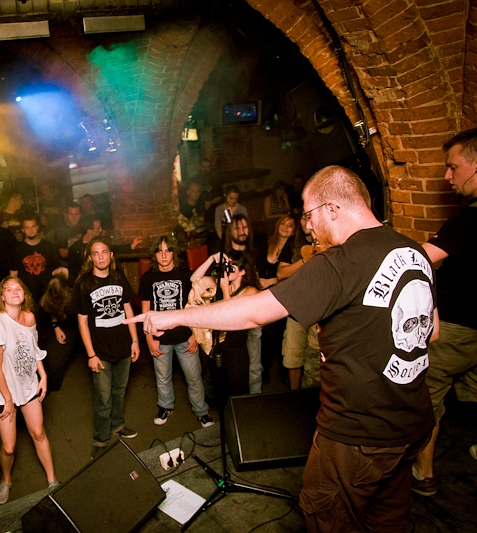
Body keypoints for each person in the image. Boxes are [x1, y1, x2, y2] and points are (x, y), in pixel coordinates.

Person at [129, 165, 437, 532]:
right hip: (411, 422)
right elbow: (430, 332)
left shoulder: (340, 262)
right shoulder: (412, 249)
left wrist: (177, 316)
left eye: (308, 215)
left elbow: (256, 312)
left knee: (330, 515)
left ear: (332, 208)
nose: (307, 226)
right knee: (389, 518)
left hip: (359, 433)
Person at [411, 128, 477, 497]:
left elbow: (419, 257)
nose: (447, 176)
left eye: (453, 166)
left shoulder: (468, 219)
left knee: (428, 397)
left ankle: (424, 474)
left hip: (456, 330)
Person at [0, 277, 57, 505]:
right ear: (2, 297)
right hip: (3, 390)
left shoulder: (29, 318)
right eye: (9, 289)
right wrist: (8, 399)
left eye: (19, 288)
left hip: (27, 384)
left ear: (24, 295)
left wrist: (43, 374)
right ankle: (6, 479)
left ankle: (52, 480)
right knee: (8, 447)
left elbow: (33, 348)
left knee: (38, 432)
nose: (14, 292)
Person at [75, 237, 139, 458]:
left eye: (104, 252)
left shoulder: (120, 278)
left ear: (111, 255)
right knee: (103, 398)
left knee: (119, 392)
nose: (101, 256)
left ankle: (118, 425)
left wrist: (135, 341)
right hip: (100, 351)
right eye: (96, 253)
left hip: (123, 346)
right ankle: (100, 439)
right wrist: (91, 354)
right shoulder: (84, 283)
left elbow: (128, 309)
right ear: (90, 257)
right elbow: (82, 322)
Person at [140, 235, 213, 428]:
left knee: (194, 377)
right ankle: (165, 407)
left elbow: (195, 307)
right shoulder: (147, 278)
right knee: (162, 378)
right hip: (160, 338)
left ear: (174, 252)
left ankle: (201, 412)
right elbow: (145, 312)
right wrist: (149, 338)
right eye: (159, 251)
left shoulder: (185, 275)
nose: (164, 255)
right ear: (154, 255)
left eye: (168, 250)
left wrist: (195, 335)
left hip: (185, 337)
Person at [191, 250, 261, 396]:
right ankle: (225, 419)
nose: (227, 269)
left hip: (236, 349)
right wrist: (211, 259)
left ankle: (240, 419)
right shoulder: (221, 284)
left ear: (242, 271)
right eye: (226, 265)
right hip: (217, 346)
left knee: (237, 390)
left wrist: (224, 289)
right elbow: (195, 280)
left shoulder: (250, 291)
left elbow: (232, 316)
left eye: (232, 266)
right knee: (221, 389)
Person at [277, 215, 323, 390]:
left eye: (309, 218)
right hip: (296, 309)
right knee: (292, 358)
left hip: (319, 312)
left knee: (315, 357)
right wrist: (304, 260)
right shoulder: (293, 244)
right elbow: (281, 273)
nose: (306, 223)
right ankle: (294, 397)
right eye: (303, 218)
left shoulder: (328, 241)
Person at [256, 214, 296, 383]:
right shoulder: (268, 242)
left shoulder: (292, 249)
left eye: (290, 226)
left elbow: (290, 274)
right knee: (264, 334)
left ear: (294, 232)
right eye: (283, 224)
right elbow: (257, 264)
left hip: (281, 293)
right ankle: (263, 371)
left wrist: (270, 281)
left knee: (279, 335)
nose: (285, 227)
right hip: (263, 292)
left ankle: (282, 374)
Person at [10, 215, 66, 304]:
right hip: (26, 296)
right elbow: (13, 275)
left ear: (37, 227)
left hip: (47, 296)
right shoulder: (17, 250)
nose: (30, 230)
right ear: (23, 230)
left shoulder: (48, 246)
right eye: (27, 227)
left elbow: (57, 270)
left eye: (33, 226)